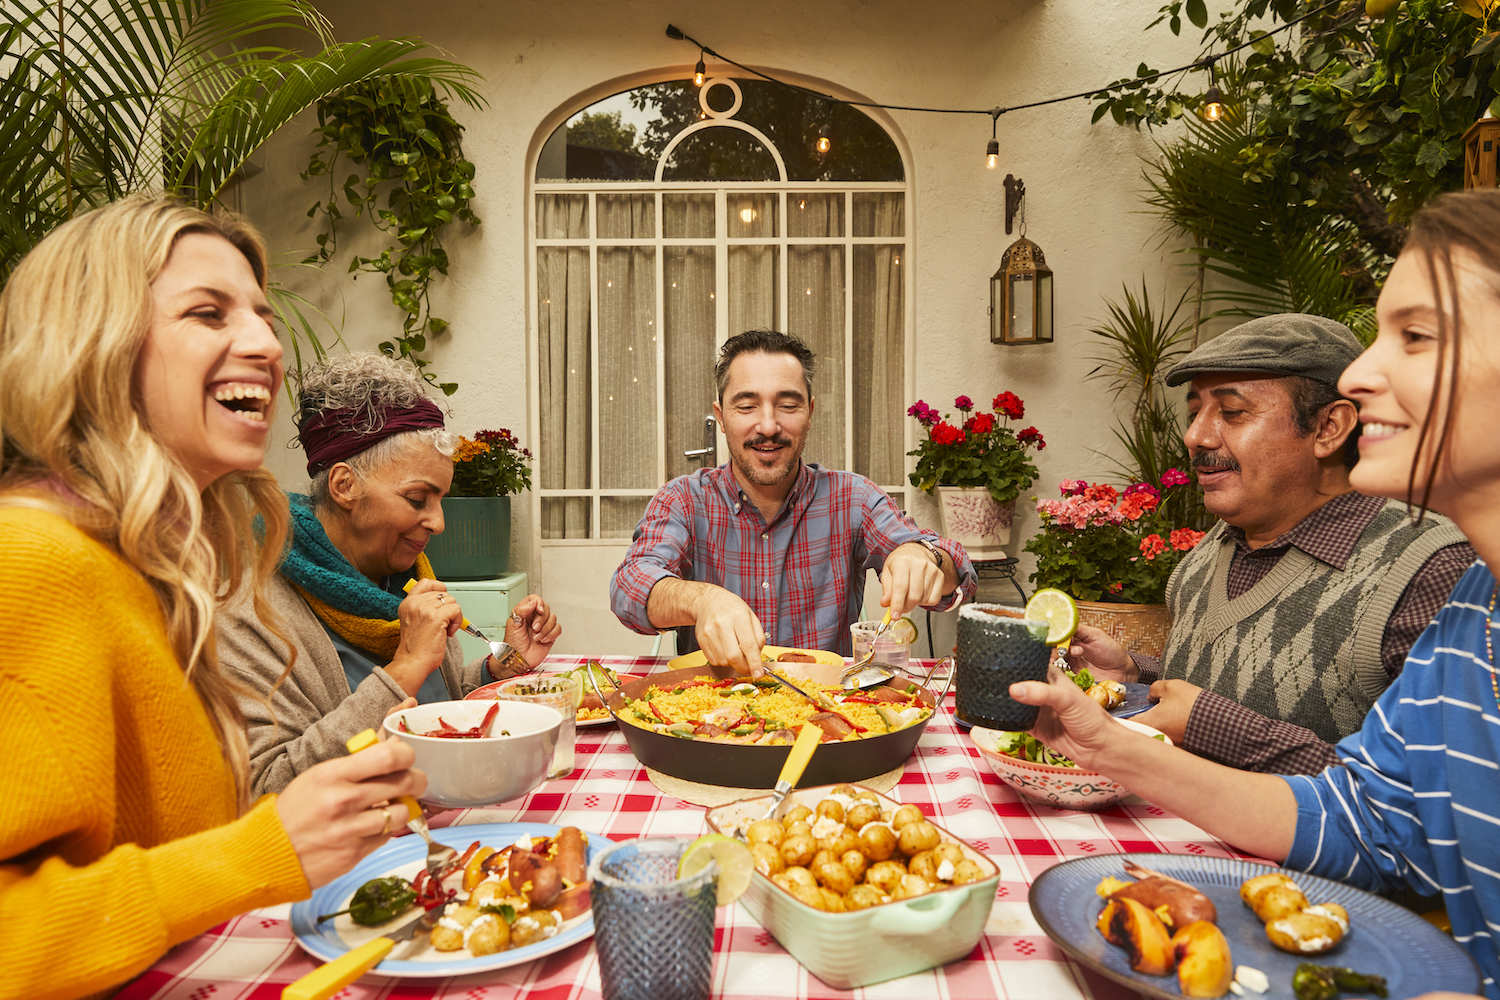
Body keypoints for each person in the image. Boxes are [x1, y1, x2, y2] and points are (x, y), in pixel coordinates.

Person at [1013, 189, 1500, 1000]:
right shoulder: (1473, 619)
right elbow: (1368, 816)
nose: (1364, 372)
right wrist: (1113, 736)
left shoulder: (1431, 574)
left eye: (1415, 337)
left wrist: (1194, 721)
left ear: (1328, 430)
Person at [0, 197, 425, 1000]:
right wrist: (261, 850)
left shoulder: (161, 569)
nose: (267, 345)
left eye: (265, 317)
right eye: (207, 313)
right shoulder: (31, 564)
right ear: (91, 346)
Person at [1064, 313, 1470, 773]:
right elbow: (1225, 684)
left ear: (1329, 429)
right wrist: (1136, 675)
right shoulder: (1213, 548)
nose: (1195, 436)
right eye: (1195, 412)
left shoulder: (1430, 571)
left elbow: (1428, 797)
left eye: (1232, 412)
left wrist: (1215, 727)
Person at [218, 352, 561, 797]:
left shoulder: (400, 574)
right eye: (418, 499)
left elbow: (438, 702)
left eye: (440, 502)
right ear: (344, 486)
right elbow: (268, 789)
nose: (438, 523)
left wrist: (500, 667)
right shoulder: (250, 611)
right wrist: (406, 666)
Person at [611, 330, 978, 673]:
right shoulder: (684, 499)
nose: (768, 426)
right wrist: (702, 600)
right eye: (747, 406)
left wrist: (923, 557)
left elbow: (959, 570)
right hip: (716, 716)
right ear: (721, 418)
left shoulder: (853, 498)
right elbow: (630, 585)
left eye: (788, 405)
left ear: (810, 413)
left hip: (829, 717)